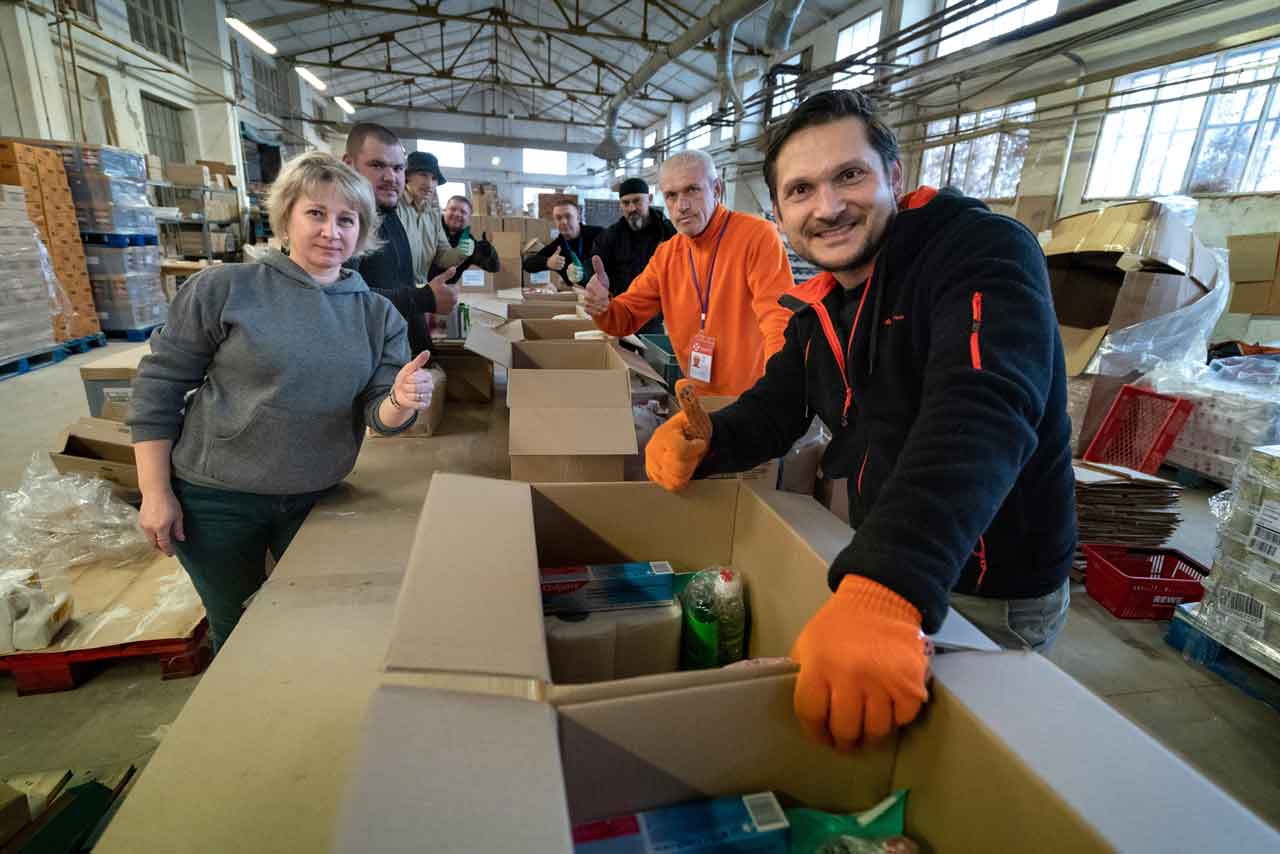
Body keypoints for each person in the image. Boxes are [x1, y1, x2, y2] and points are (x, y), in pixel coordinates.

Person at [645, 90, 1076, 750]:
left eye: (850, 175)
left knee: (961, 766)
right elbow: (777, 405)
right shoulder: (825, 302)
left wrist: (886, 586)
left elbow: (981, 408)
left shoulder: (979, 251)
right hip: (891, 565)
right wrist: (711, 441)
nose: (828, 206)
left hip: (990, 588)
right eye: (801, 190)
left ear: (895, 178)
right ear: (780, 213)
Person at [128, 151, 437, 653]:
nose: (330, 231)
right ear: (287, 216)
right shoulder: (224, 288)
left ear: (362, 232)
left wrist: (401, 400)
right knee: (236, 631)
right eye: (315, 213)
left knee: (315, 625)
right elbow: (158, 388)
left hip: (316, 497)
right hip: (216, 499)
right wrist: (155, 493)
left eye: (346, 219)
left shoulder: (378, 314)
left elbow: (379, 415)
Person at [584, 150, 794, 397]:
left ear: (716, 189)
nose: (681, 206)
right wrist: (604, 307)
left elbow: (778, 318)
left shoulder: (757, 236)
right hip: (697, 396)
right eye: (671, 195)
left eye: (692, 190)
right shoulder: (667, 255)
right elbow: (626, 317)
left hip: (753, 397)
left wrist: (777, 388)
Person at [342, 124, 457, 355]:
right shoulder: (346, 221)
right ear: (348, 164)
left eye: (398, 168)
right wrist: (421, 298)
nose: (390, 177)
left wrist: (424, 348)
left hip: (398, 356)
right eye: (377, 165)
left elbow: (398, 283)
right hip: (370, 364)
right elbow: (343, 300)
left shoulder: (387, 214)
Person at [592, 177, 676, 335]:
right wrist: (583, 274)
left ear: (649, 199)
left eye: (637, 201)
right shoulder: (610, 236)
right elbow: (597, 268)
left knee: (653, 359)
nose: (631, 208)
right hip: (622, 314)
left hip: (656, 318)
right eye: (625, 203)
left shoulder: (668, 233)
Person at [399, 151, 473, 284]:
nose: (429, 184)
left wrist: (460, 252)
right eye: (423, 175)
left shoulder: (433, 216)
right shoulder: (395, 207)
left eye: (434, 179)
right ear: (407, 176)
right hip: (391, 292)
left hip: (419, 290)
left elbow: (443, 257)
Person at [523, 201, 602, 289]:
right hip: (577, 295)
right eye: (558, 218)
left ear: (578, 218)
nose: (564, 222)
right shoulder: (557, 246)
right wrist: (547, 262)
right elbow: (527, 264)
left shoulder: (599, 235)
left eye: (568, 216)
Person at [432, 194, 500, 286]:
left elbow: (494, 268)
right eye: (453, 209)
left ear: (468, 218)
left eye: (463, 212)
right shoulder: (431, 230)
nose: (457, 214)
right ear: (445, 211)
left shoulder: (469, 242)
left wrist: (490, 252)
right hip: (422, 287)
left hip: (447, 292)